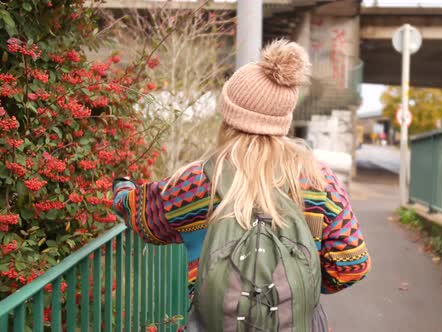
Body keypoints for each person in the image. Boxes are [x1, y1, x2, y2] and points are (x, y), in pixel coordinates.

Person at [112, 39, 371, 331]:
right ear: (282, 119)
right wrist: (298, 285)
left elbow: (141, 218)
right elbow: (352, 264)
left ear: (228, 116)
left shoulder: (195, 183)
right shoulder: (318, 181)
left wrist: (121, 187)